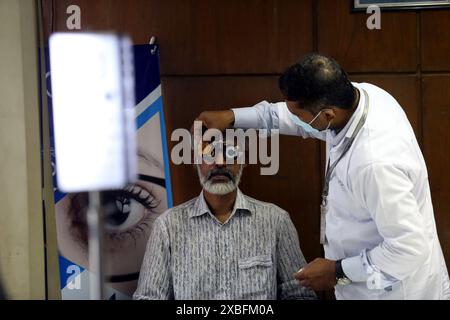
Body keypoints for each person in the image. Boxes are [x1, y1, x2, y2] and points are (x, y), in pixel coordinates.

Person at [195, 53, 450, 300]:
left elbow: (408, 249)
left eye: (299, 114)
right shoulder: (362, 97)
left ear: (327, 115)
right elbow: (291, 117)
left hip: (395, 292)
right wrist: (233, 117)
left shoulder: (374, 164)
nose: (294, 118)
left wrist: (337, 273)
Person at [133, 135, 317, 300]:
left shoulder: (276, 221)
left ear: (243, 161)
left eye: (230, 153)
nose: (220, 163)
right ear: (196, 162)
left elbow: (300, 294)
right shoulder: (167, 226)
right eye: (210, 153)